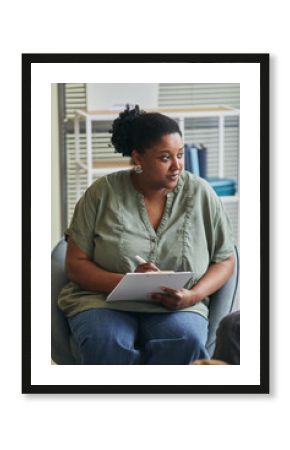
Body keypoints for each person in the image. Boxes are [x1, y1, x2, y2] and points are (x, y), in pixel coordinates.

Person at [58, 104, 235, 365]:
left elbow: (225, 259)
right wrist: (127, 282)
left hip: (179, 305)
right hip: (102, 301)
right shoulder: (101, 193)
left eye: (180, 154)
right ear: (138, 157)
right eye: (165, 157)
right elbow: (75, 264)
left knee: (185, 338)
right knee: (106, 340)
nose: (177, 166)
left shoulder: (201, 194)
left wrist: (193, 296)